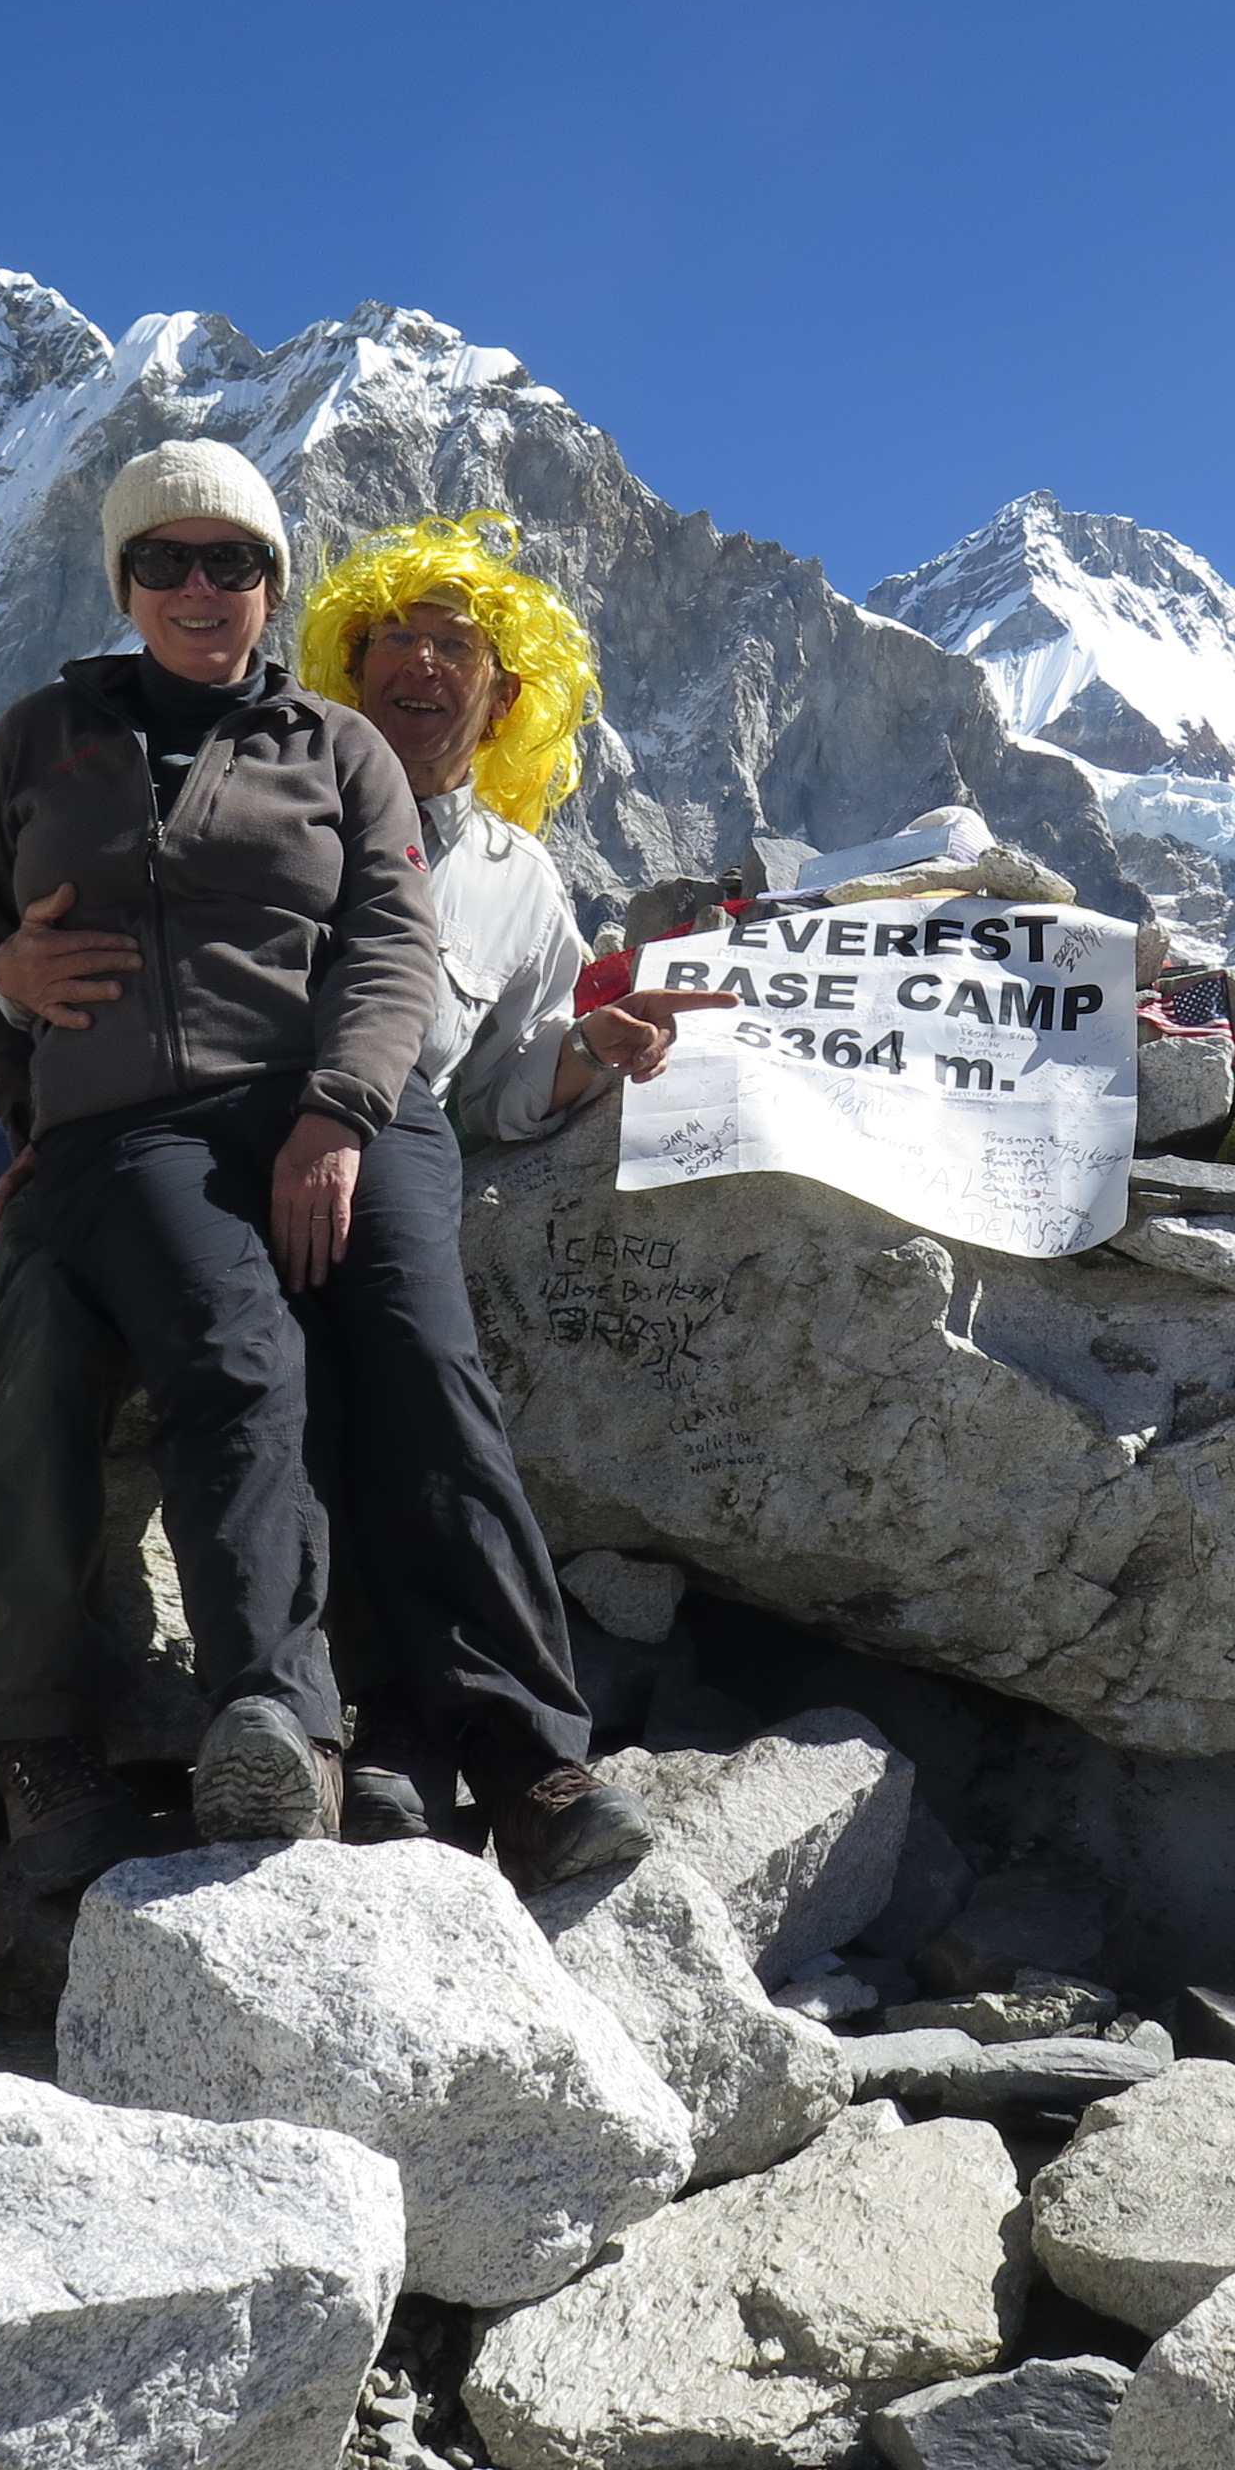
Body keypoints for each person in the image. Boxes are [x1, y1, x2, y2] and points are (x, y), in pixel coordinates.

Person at [0, 439, 439, 1889]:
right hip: (108, 1139)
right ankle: (278, 1715)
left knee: (43, 1363)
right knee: (236, 1347)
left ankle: (60, 1750)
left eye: (233, 561)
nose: (200, 587)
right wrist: (24, 1083)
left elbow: (395, 945)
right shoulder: (41, 735)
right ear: (125, 584)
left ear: (274, 585)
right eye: (167, 561)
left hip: (268, 1122)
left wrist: (339, 1111)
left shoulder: (338, 749)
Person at [289, 514, 734, 1875]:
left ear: (509, 693)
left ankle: (515, 1754)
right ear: (344, 669)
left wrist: (585, 1056)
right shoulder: (277, 804)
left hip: (400, 1141)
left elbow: (486, 1090)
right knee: (288, 1400)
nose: (422, 667)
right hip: (241, 1122)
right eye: (392, 642)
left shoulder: (520, 882)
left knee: (417, 1377)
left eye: (457, 647)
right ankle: (401, 1744)